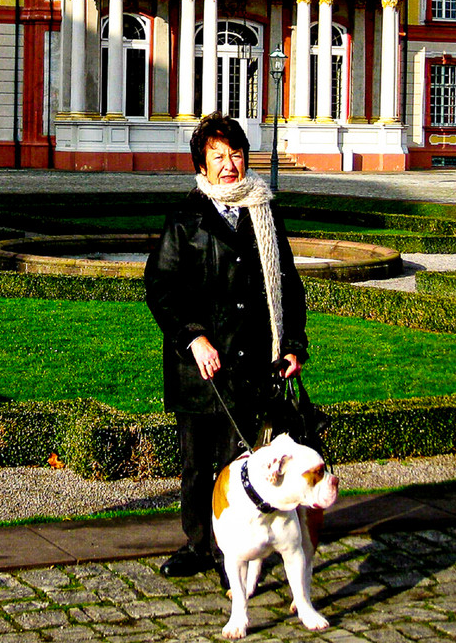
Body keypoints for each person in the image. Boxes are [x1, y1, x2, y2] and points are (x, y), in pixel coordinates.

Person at [143, 112, 309, 579]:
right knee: (197, 468)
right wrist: (192, 337)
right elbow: (161, 287)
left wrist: (293, 344)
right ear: (202, 164)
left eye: (235, 154)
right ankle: (199, 545)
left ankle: (233, 553)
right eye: (218, 156)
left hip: (255, 362)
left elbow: (288, 285)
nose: (229, 164)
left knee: (239, 464)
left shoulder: (265, 211)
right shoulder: (185, 218)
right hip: (202, 367)